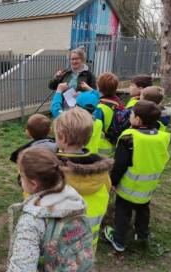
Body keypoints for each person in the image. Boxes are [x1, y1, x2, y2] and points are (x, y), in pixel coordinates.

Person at [7, 146, 94, 272]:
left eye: (21, 176)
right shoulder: (75, 200)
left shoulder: (31, 222)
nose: (20, 179)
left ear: (33, 183)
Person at [104, 100, 171, 252]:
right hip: (149, 183)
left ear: (138, 119)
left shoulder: (130, 137)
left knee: (123, 209)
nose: (130, 116)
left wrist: (113, 181)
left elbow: (120, 163)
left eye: (132, 114)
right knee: (143, 207)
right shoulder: (161, 136)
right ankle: (141, 234)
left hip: (130, 184)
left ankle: (119, 240)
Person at [54, 107, 114, 256]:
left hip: (58, 246)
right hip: (87, 246)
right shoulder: (101, 169)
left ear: (63, 138)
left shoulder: (53, 168)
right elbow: (107, 188)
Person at [10, 113, 57, 198]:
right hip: (54, 188)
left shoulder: (25, 153)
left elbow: (22, 172)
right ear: (50, 130)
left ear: (28, 133)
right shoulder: (58, 147)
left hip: (32, 191)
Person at [51, 82, 104, 155]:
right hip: (89, 156)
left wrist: (59, 91)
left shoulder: (69, 121)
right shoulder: (99, 122)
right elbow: (102, 97)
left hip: (68, 156)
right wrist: (90, 90)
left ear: (76, 105)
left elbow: (55, 108)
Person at [81, 72, 123, 157]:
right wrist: (90, 89)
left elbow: (91, 128)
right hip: (113, 146)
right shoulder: (117, 102)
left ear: (99, 89)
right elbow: (103, 95)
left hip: (100, 150)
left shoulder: (99, 109)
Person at [48, 46, 96, 110]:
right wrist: (57, 77)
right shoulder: (65, 73)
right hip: (64, 109)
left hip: (80, 111)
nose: (74, 61)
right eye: (72, 59)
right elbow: (51, 86)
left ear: (82, 59)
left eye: (76, 59)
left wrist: (81, 95)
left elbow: (94, 94)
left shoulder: (89, 75)